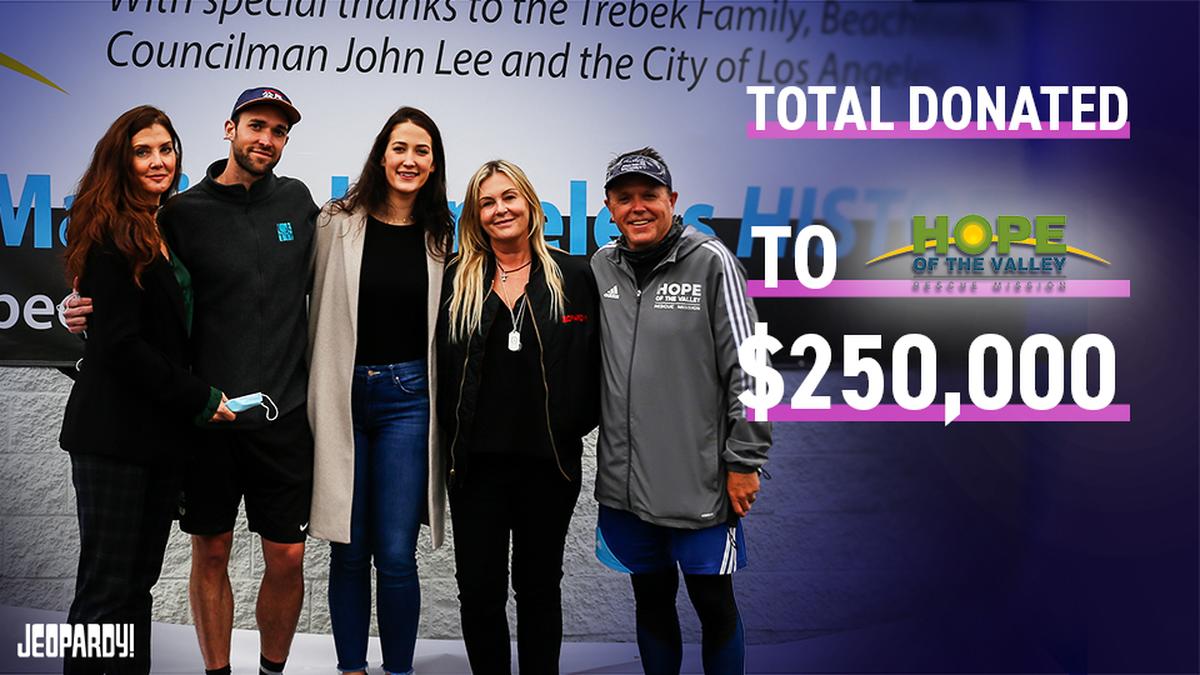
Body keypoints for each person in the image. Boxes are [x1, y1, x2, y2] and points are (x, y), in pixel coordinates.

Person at [66, 87, 320, 675]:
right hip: (192, 423)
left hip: (273, 418)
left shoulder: (300, 204)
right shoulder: (174, 217)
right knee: (118, 585)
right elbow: (124, 328)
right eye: (256, 125)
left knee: (136, 586)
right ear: (229, 129)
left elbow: (140, 312)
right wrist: (76, 311)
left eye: (279, 131)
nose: (267, 139)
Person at [59, 105, 235, 675]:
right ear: (121, 160)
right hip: (113, 437)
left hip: (158, 440)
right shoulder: (108, 231)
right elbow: (121, 347)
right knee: (106, 589)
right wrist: (201, 398)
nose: (158, 161)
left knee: (137, 586)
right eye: (143, 151)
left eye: (166, 149)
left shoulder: (161, 225)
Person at [590, 148, 770, 674]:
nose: (638, 207)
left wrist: (745, 461)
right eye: (625, 198)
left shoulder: (711, 262)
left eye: (650, 195)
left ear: (673, 201)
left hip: (702, 486)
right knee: (650, 602)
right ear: (609, 207)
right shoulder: (603, 266)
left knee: (713, 606)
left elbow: (752, 369)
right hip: (626, 487)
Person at [305, 106, 453, 675]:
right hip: (342, 397)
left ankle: (398, 670)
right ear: (381, 154)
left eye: (421, 150)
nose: (409, 160)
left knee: (394, 554)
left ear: (434, 162)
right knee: (347, 548)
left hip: (409, 402)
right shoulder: (334, 222)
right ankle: (350, 668)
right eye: (399, 148)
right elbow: (282, 295)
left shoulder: (445, 235)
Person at [436, 159, 600, 674]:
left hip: (547, 467)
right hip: (475, 469)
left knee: (537, 587)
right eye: (487, 202)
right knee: (479, 591)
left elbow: (600, 364)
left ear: (530, 204)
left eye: (509, 197)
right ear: (476, 215)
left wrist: (574, 424)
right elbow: (439, 370)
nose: (500, 209)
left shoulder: (574, 275)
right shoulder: (456, 280)